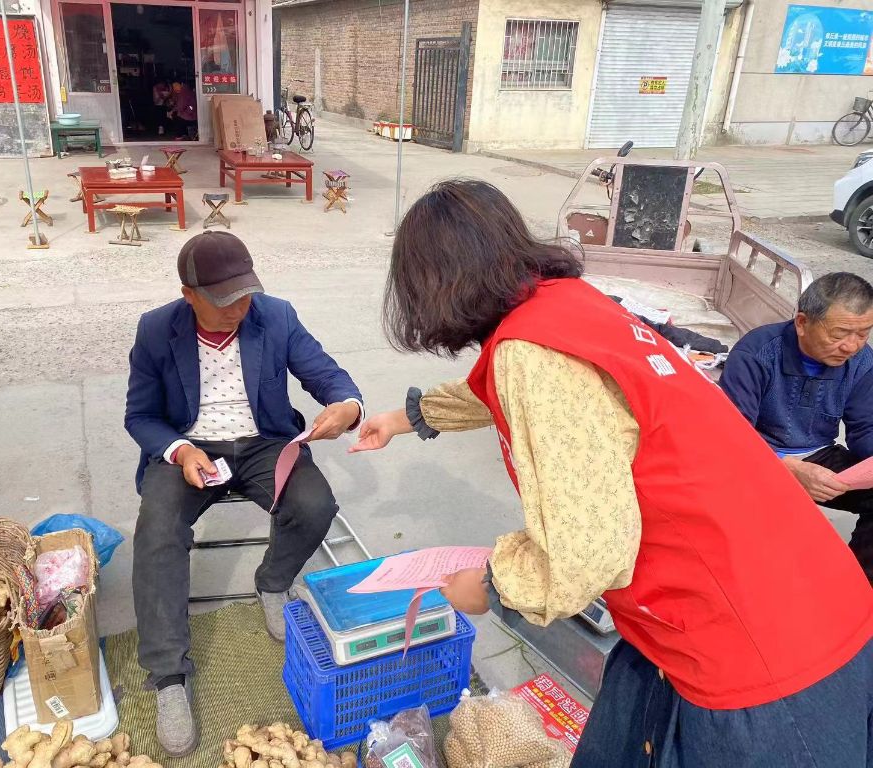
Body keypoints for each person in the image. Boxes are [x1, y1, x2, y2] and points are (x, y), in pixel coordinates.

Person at [351, 180, 873, 767]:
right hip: (778, 588)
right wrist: (407, 417)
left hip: (756, 648)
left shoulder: (531, 353)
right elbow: (506, 387)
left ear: (434, 287)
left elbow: (586, 553)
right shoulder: (566, 304)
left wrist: (494, 585)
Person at [124, 232, 363, 756]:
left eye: (246, 294)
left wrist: (347, 405)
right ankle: (168, 676)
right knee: (157, 532)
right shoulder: (156, 329)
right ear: (190, 295)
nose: (240, 307)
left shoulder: (275, 316)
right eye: (224, 299)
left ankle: (272, 582)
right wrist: (180, 451)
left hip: (263, 442)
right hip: (191, 446)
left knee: (315, 504)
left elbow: (327, 375)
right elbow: (140, 416)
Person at [720, 272, 873, 581]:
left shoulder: (861, 361)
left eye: (863, 334)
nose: (851, 346)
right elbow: (731, 436)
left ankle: (857, 589)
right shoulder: (756, 354)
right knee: (740, 534)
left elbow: (864, 428)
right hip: (757, 458)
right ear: (802, 323)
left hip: (818, 455)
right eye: (840, 333)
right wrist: (787, 468)